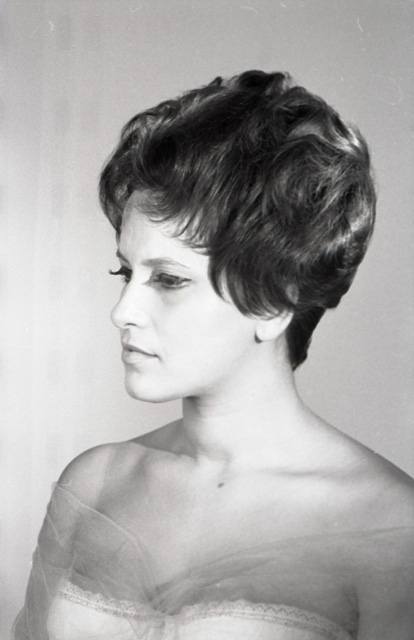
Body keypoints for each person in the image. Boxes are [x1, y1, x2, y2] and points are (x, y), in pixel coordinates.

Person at [13, 70, 414, 639]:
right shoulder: (93, 485)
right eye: (125, 272)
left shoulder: (392, 527)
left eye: (169, 280)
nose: (123, 311)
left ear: (274, 301)